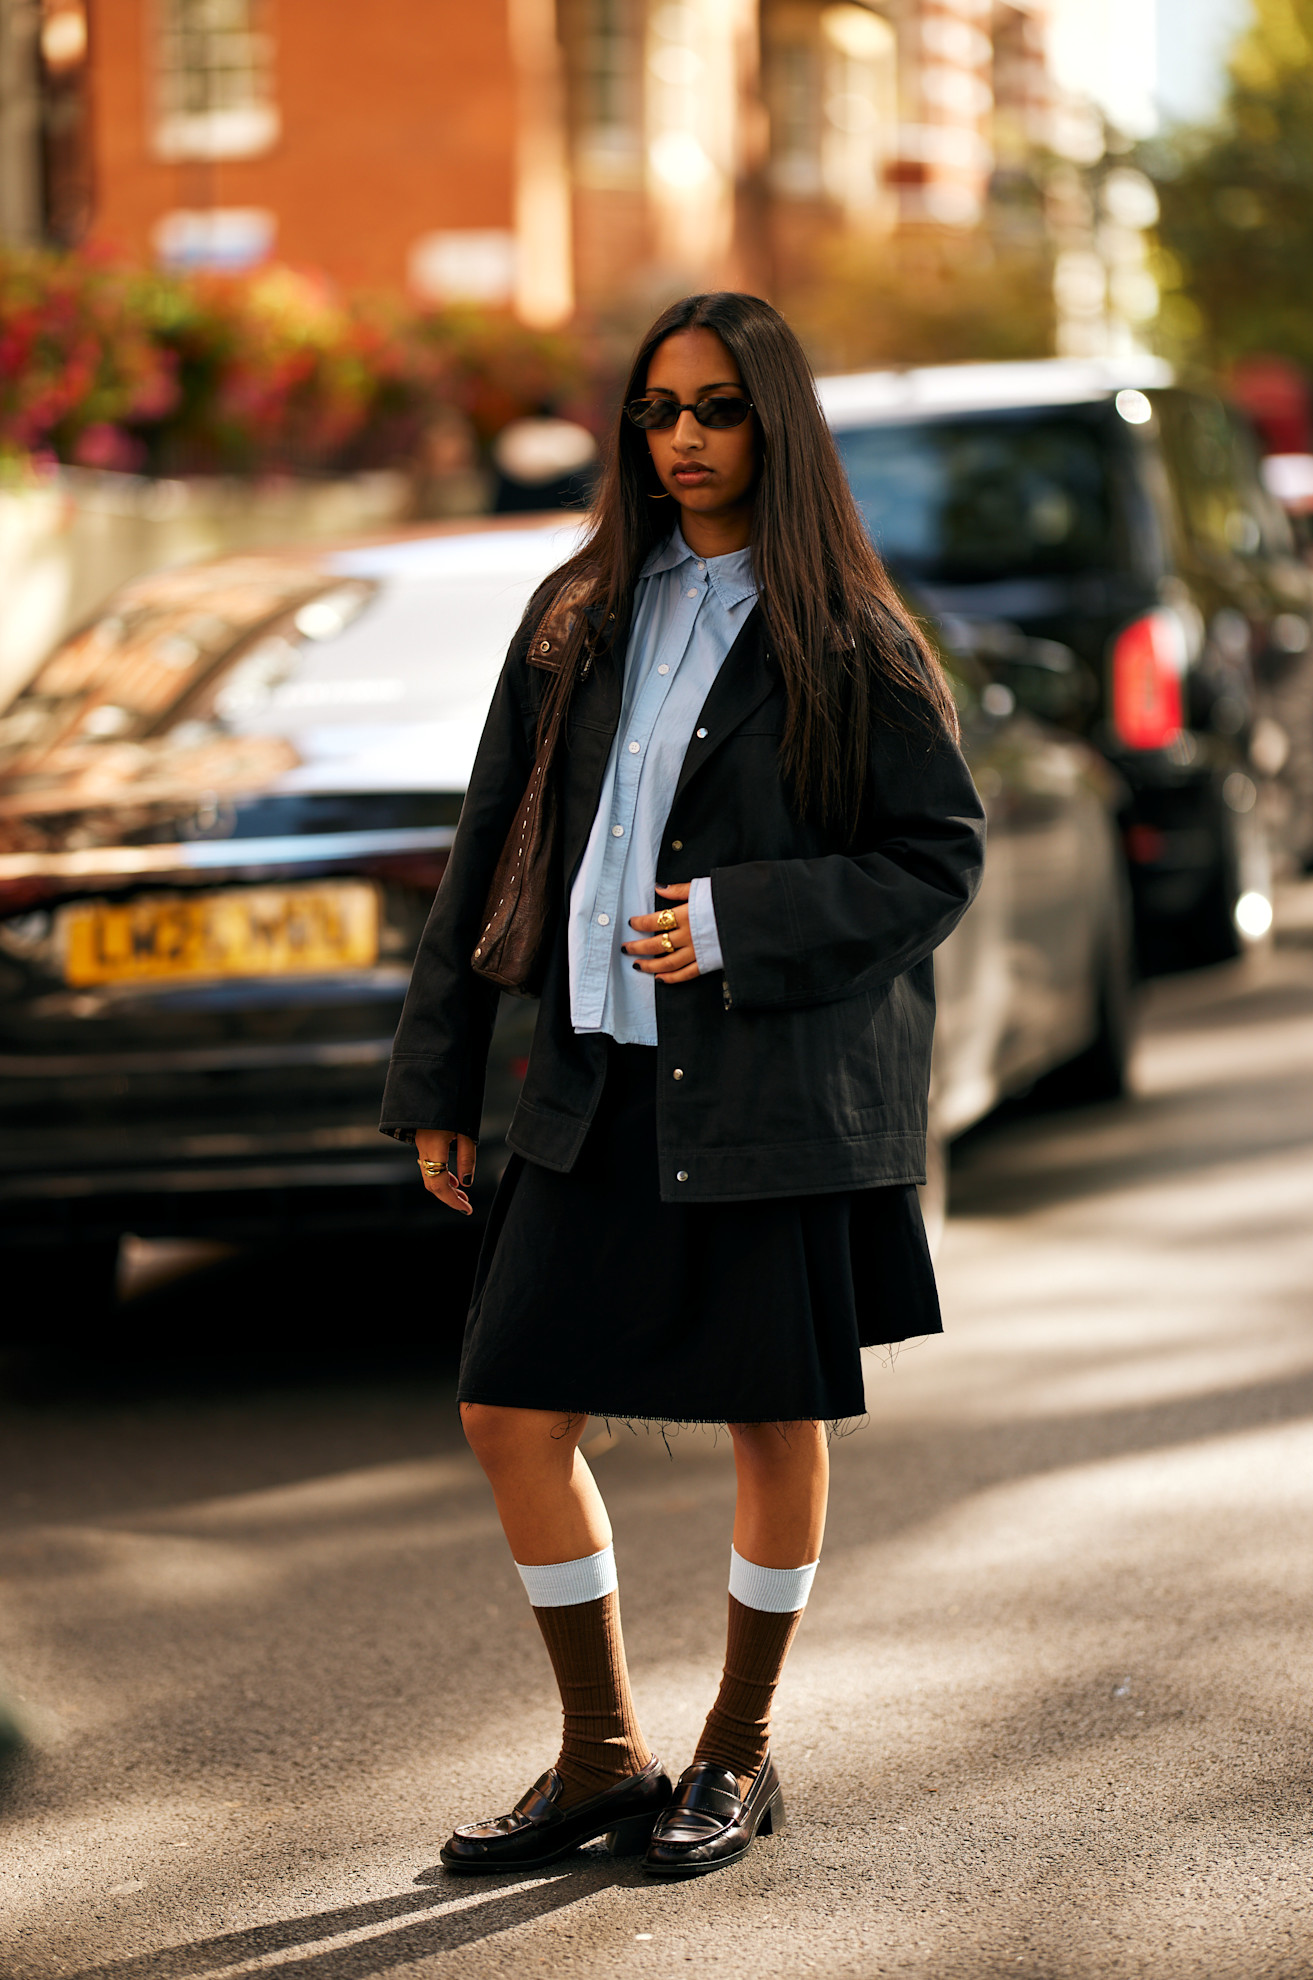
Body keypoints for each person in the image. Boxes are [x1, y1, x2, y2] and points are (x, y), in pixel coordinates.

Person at [379, 292, 985, 1879]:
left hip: (768, 1089)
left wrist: (733, 918)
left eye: (715, 410)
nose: (684, 441)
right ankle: (597, 1757)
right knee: (510, 1408)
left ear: (772, 425)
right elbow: (488, 846)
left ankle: (736, 1750)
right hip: (589, 1075)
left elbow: (935, 856)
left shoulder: (847, 634)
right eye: (658, 410)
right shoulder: (577, 612)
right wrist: (439, 1070)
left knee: (767, 1421)